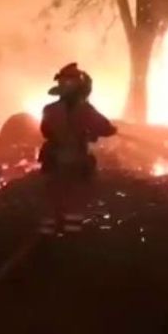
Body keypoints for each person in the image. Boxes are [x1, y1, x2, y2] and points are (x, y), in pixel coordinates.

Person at [38, 63, 117, 235]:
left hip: (53, 161)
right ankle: (70, 237)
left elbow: (46, 131)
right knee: (75, 201)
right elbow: (106, 128)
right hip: (76, 162)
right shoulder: (85, 110)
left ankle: (47, 236)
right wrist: (92, 132)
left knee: (53, 200)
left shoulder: (49, 109)